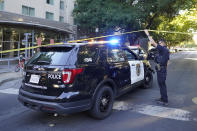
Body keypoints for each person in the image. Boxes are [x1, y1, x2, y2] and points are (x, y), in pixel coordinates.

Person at [144, 29, 170, 106]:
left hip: (161, 70)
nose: (158, 44)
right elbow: (167, 61)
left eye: (159, 43)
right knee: (161, 85)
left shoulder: (163, 49)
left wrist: (147, 33)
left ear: (163, 43)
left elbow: (152, 42)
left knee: (162, 85)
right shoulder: (164, 51)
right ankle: (162, 98)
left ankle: (165, 101)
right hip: (161, 70)